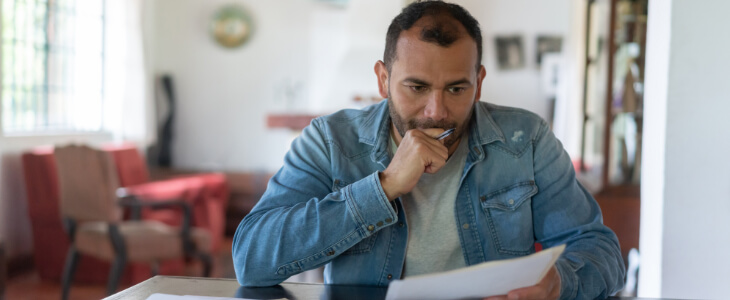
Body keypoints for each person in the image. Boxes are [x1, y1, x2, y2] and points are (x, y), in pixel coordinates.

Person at [233, 1, 625, 299]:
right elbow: (251, 260)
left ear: (479, 81)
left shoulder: (527, 139)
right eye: (416, 87)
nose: (436, 112)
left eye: (457, 89)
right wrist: (382, 188)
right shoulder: (331, 140)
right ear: (383, 79)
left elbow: (600, 249)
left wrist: (561, 283)